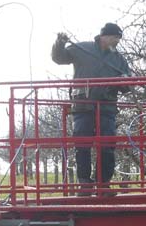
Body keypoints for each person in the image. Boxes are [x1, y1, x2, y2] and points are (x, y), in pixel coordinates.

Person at [51, 23, 132, 196]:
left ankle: (103, 184)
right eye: (114, 37)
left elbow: (128, 86)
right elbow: (59, 58)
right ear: (104, 36)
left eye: (118, 38)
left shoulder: (118, 59)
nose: (117, 41)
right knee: (82, 143)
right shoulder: (82, 49)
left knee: (107, 145)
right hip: (83, 105)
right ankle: (85, 184)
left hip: (107, 106)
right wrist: (59, 42)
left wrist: (125, 81)